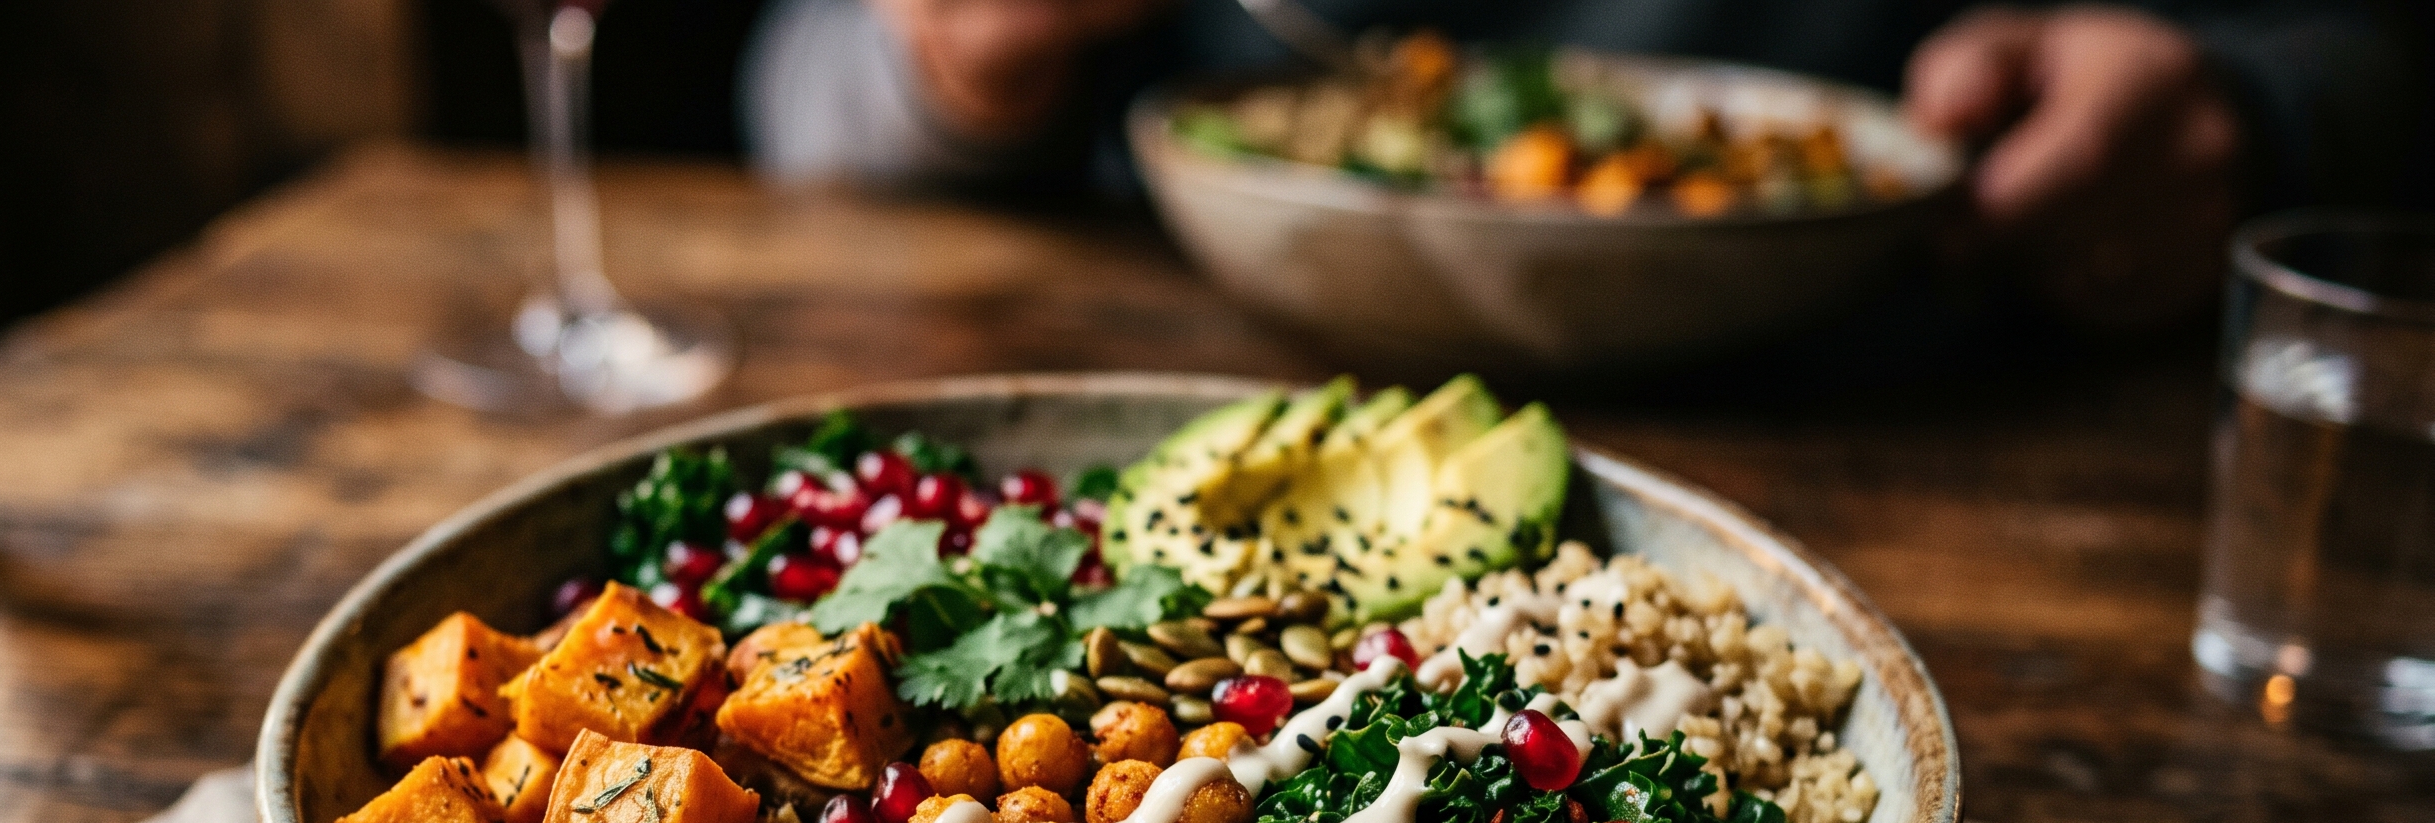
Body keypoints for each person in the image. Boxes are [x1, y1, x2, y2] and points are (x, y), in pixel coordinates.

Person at [742, 0, 2430, 326]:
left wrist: (2254, 111)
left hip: (1921, 376)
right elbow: (798, 97)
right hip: (1197, 365)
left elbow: (2385, 57)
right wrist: (956, 60)